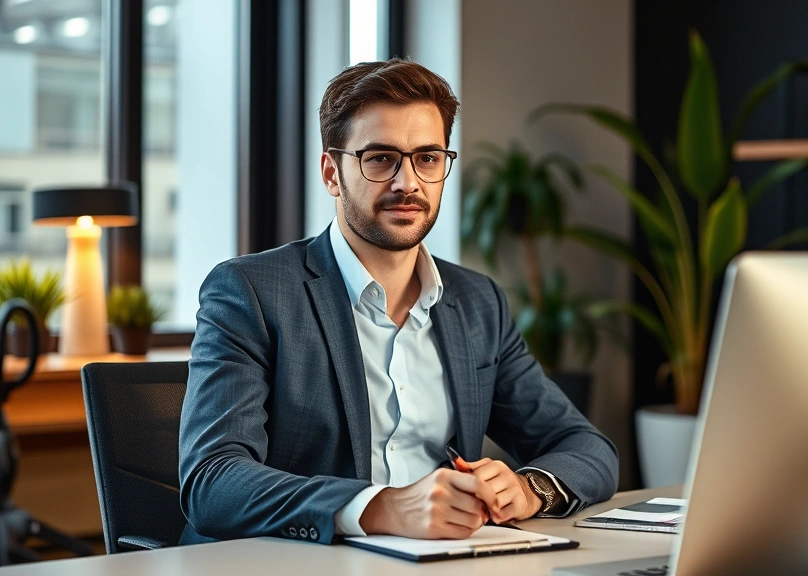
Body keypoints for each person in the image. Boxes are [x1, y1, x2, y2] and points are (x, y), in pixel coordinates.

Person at [178, 58, 618, 545]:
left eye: (427, 158)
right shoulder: (251, 292)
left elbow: (585, 447)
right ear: (331, 173)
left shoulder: (478, 303)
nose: (408, 183)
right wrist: (380, 507)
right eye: (380, 158)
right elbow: (212, 481)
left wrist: (527, 488)